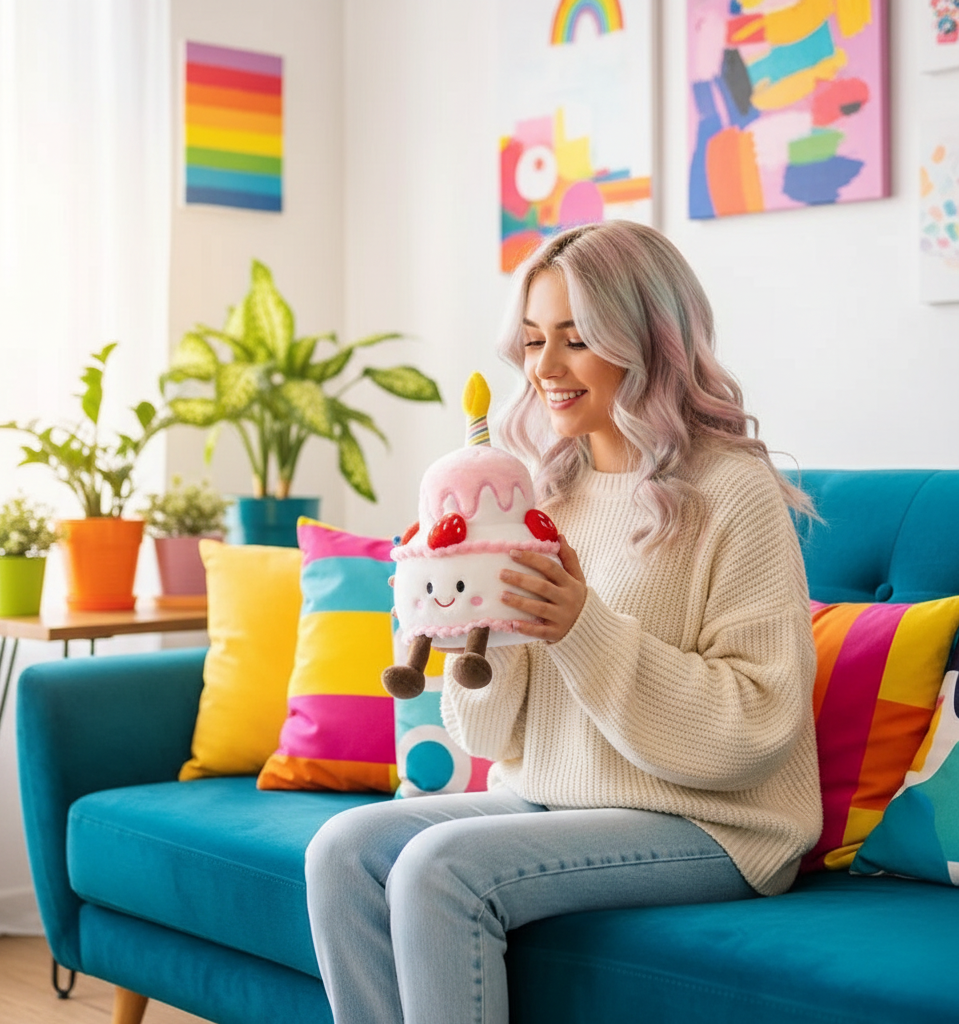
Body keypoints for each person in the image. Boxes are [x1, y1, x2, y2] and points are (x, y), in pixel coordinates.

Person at [305, 221, 822, 1024]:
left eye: (576, 341)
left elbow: (757, 724)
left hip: (718, 822)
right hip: (555, 795)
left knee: (438, 869)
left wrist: (583, 627)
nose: (544, 369)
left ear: (648, 343)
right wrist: (463, 621)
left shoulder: (733, 492)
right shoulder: (542, 491)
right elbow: (486, 738)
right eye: (535, 339)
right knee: (342, 850)